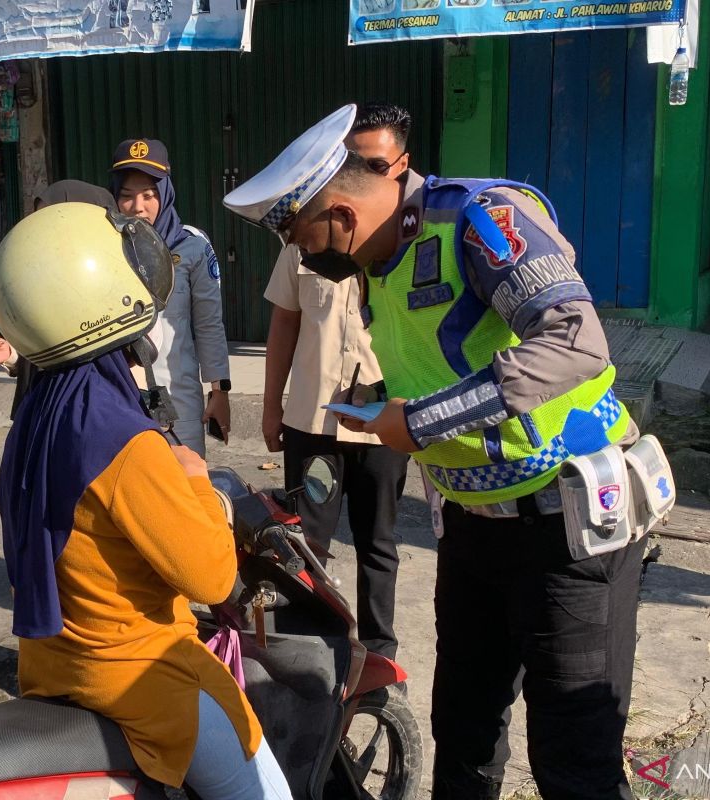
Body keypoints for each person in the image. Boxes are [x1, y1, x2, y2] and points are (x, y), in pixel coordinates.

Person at [225, 105, 647, 799]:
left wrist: (419, 422)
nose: (305, 260)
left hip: (568, 527)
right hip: (474, 533)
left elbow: (575, 341)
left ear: (341, 215)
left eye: (304, 240)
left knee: (574, 761)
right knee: (464, 740)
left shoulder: (480, 218)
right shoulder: (379, 266)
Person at [0, 201, 292, 799]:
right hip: (135, 675)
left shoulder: (36, 420)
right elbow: (211, 577)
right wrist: (197, 479)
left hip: (53, 666)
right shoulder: (127, 445)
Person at [262, 103, 412, 662]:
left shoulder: (411, 242)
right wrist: (272, 406)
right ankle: (310, 646)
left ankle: (377, 651)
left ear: (400, 165)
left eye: (375, 163)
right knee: (307, 541)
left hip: (384, 424)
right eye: (353, 161)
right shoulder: (307, 232)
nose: (363, 174)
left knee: (378, 544)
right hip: (314, 418)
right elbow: (285, 319)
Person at [110, 138, 231, 456]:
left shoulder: (192, 246)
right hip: (119, 395)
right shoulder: (103, 248)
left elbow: (208, 324)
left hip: (179, 398)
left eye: (149, 195)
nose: (138, 206)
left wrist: (220, 390)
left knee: (185, 489)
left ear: (165, 193)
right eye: (126, 196)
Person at [0, 180, 117, 418]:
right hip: (42, 414)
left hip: (92, 419)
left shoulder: (113, 294)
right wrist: (13, 354)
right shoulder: (45, 284)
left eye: (50, 220)